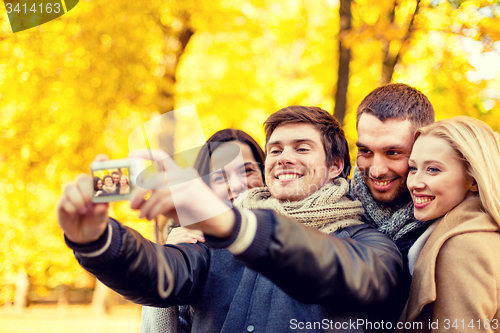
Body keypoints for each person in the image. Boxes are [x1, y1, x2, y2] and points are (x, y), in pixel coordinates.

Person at [57, 106, 403, 332]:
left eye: (301, 148)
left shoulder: (370, 245)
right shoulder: (211, 240)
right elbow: (160, 273)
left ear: (335, 166)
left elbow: (348, 273)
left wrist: (235, 225)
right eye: (276, 149)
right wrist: (99, 241)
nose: (283, 158)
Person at [141, 128, 266, 333]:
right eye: (220, 177)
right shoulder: (193, 248)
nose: (237, 185)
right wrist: (167, 261)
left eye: (248, 171)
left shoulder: (291, 237)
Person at [397, 117, 500, 332]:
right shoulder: (485, 232)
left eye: (433, 169)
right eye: (413, 168)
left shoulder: (463, 247)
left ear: (473, 179)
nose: (415, 183)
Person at [349, 83, 435, 298]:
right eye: (365, 151)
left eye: (393, 152)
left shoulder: (448, 223)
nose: (376, 171)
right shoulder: (335, 209)